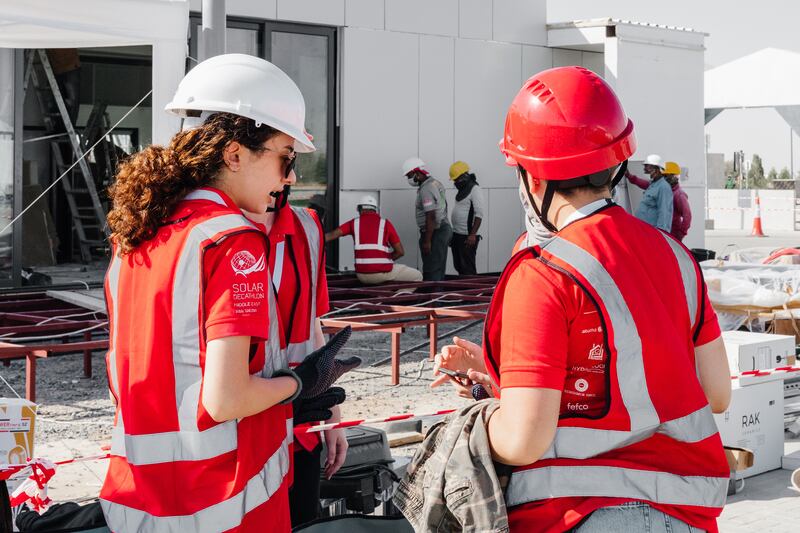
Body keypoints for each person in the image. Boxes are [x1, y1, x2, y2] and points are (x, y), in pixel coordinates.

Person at [433, 66, 731, 532]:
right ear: (615, 167)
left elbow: (524, 441)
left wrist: (479, 417)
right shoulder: (677, 258)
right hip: (686, 516)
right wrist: (505, 377)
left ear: (533, 180)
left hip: (579, 516)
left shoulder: (543, 270)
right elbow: (715, 392)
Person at [100, 54, 347, 532]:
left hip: (140, 498)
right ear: (234, 154)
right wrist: (302, 385)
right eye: (285, 157)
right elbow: (226, 399)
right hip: (224, 498)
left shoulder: (136, 235)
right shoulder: (232, 241)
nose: (291, 176)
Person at [246, 169, 350, 527]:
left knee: (302, 519)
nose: (290, 175)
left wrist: (333, 415)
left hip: (302, 418)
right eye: (281, 158)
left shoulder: (306, 228)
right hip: (243, 426)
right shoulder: (214, 233)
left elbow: (310, 325)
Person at [325, 195, 422, 284]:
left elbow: (332, 235)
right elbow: (400, 252)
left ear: (360, 209)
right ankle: (394, 300)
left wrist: (313, 240)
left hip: (362, 275)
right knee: (417, 276)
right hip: (382, 273)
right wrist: (384, 259)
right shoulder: (385, 224)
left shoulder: (353, 223)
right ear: (375, 210)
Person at [403, 157, 452, 281]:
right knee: (438, 267)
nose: (409, 179)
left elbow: (430, 215)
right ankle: (438, 297)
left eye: (409, 175)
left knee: (432, 268)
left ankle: (434, 299)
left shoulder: (426, 189)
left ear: (417, 173)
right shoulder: (435, 183)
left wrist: (427, 240)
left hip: (435, 232)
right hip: (441, 228)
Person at [448, 161, 485, 276]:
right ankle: (464, 290)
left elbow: (479, 214)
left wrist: (472, 235)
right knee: (458, 265)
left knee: (468, 268)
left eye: (456, 179)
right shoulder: (463, 190)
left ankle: (473, 292)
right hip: (457, 235)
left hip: (467, 237)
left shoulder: (475, 190)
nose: (455, 183)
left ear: (464, 176)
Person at [627, 153, 673, 231]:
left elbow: (664, 213)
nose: (645, 168)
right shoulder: (653, 184)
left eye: (647, 166)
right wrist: (629, 176)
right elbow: (641, 183)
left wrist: (662, 233)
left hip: (652, 232)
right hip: (643, 229)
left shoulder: (663, 187)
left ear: (656, 168)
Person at [663, 161, 692, 242]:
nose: (664, 179)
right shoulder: (667, 191)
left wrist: (680, 235)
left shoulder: (679, 195)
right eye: (663, 176)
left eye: (666, 176)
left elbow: (687, 217)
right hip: (665, 233)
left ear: (674, 176)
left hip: (673, 236)